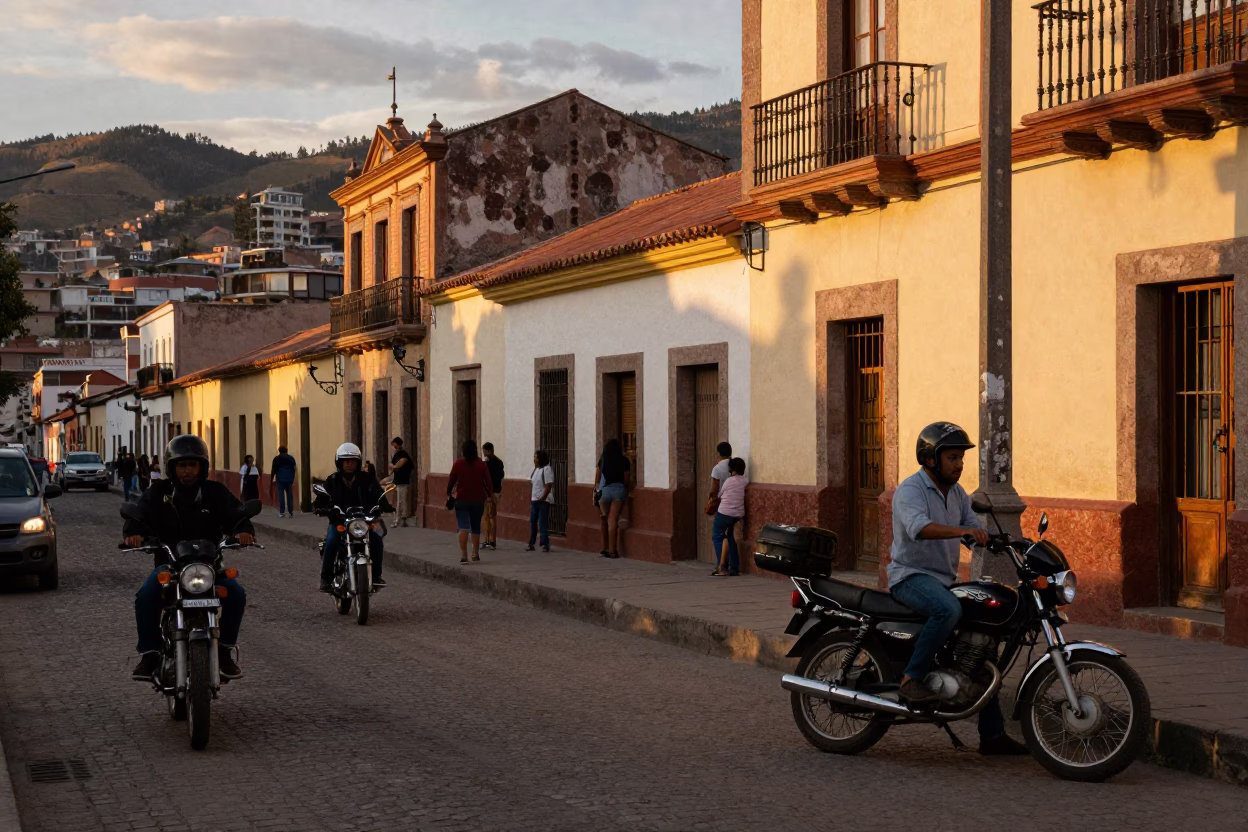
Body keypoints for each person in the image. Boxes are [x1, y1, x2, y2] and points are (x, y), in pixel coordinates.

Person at [887, 422, 1028, 756]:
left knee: (984, 639)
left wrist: (996, 540)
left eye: (961, 458)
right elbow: (919, 529)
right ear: (931, 458)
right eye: (952, 457)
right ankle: (912, 679)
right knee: (948, 610)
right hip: (911, 576)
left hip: (942, 579)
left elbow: (970, 527)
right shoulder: (911, 490)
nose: (959, 464)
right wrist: (959, 532)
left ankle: (992, 736)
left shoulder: (958, 494)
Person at [124, 435, 253, 682]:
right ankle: (150, 653)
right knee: (146, 595)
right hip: (170, 565)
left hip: (210, 566)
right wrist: (134, 534)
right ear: (171, 467)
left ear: (201, 467)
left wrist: (243, 531)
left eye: (192, 465)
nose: (187, 471)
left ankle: (224, 651)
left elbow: (236, 513)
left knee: (236, 594)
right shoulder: (159, 492)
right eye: (182, 465)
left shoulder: (215, 492)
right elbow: (138, 515)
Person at [314, 442, 391, 591]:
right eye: (345, 461)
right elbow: (323, 496)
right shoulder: (333, 480)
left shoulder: (367, 479)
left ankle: (376, 576)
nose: (349, 464)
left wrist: (384, 504)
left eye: (352, 461)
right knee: (331, 541)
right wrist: (322, 507)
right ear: (339, 462)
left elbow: (378, 493)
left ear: (358, 462)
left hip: (365, 520)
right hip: (340, 521)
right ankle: (326, 579)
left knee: (377, 539)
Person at [447, 439, 492, 564]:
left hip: (461, 499)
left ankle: (463, 555)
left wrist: (448, 493)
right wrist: (490, 495)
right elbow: (488, 482)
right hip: (478, 499)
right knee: (475, 527)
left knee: (463, 527)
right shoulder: (481, 465)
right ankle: (475, 553)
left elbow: (451, 480)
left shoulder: (458, 463)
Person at [711, 457, 747, 577]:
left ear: (732, 469)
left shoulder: (729, 481)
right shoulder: (745, 481)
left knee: (717, 537)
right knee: (730, 538)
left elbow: (720, 494)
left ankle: (722, 566)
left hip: (724, 513)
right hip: (737, 514)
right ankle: (734, 568)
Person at [594, 439, 630, 559]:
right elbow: (626, 480)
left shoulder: (603, 460)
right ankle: (612, 551)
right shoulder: (624, 461)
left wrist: (595, 491)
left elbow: (597, 479)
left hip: (605, 492)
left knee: (603, 519)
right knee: (613, 520)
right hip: (618, 491)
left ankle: (603, 548)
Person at [528, 450, 555, 553]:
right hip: (534, 500)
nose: (534, 459)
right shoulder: (536, 470)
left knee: (542, 522)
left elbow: (548, 486)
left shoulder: (547, 469)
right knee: (533, 521)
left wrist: (543, 498)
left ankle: (545, 543)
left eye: (535, 457)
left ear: (540, 459)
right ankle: (531, 543)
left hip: (543, 500)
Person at [481, 442, 504, 548]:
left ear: (488, 451)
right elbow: (501, 478)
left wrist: (488, 494)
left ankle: (489, 540)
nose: (483, 453)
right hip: (497, 492)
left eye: (484, 451)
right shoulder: (500, 462)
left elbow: (486, 480)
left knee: (487, 517)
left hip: (489, 493)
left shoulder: (487, 464)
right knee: (492, 516)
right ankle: (492, 540)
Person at [388, 437, 414, 528]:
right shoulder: (396, 454)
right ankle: (402, 520)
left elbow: (400, 463)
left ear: (397, 444)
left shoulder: (403, 454)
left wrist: (393, 466)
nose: (392, 446)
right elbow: (391, 466)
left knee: (401, 501)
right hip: (398, 481)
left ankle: (399, 520)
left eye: (393, 444)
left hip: (403, 481)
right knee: (399, 500)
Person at [270, 445, 297, 518]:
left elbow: (273, 470)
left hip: (280, 479)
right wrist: (293, 478)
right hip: (289, 479)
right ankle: (291, 512)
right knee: (290, 496)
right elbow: (294, 469)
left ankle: (282, 512)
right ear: (286, 451)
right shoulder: (291, 458)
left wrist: (271, 479)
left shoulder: (277, 459)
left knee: (281, 496)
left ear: (279, 451)